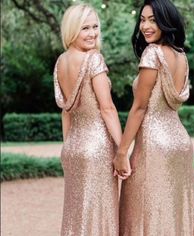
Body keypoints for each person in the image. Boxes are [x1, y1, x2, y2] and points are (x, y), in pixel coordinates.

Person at [113, 0, 194, 235]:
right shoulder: (181, 56)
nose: (145, 26)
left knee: (144, 213)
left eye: (153, 20)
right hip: (179, 143)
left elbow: (139, 108)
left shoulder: (152, 54)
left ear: (166, 22)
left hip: (154, 146)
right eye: (142, 19)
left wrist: (122, 153)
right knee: (173, 215)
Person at [53, 3, 122, 235]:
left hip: (73, 147)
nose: (92, 33)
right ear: (72, 30)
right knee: (98, 214)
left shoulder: (61, 62)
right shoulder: (94, 59)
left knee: (77, 215)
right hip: (97, 149)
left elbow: (66, 112)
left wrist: (67, 147)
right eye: (85, 28)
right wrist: (122, 149)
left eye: (95, 27)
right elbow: (108, 108)